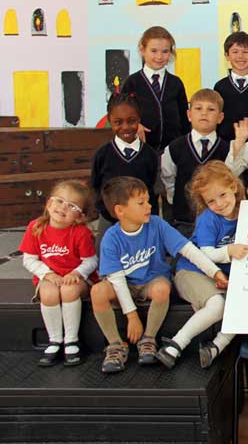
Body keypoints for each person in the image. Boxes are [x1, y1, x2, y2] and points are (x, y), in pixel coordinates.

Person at [90, 176, 226, 374]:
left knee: (162, 288)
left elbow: (188, 250)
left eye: (148, 200)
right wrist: (132, 316)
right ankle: (115, 345)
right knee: (97, 292)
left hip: (151, 282)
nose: (149, 206)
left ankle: (149, 339)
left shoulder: (157, 224)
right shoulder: (111, 238)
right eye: (141, 203)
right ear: (120, 210)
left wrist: (215, 272)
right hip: (125, 286)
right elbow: (117, 281)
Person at [156, 162, 248, 369]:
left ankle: (217, 346)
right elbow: (206, 253)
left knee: (246, 301)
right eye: (211, 200)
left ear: (233, 187)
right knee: (217, 305)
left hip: (224, 277)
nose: (219, 203)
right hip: (192, 271)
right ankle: (175, 344)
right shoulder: (208, 219)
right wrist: (229, 251)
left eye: (223, 195)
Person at [19, 180, 99, 367]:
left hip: (76, 279)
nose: (63, 207)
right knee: (49, 293)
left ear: (79, 216)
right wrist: (47, 274)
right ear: (49, 203)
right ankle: (55, 339)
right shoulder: (35, 227)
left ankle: (71, 340)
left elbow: (91, 261)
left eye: (72, 206)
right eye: (60, 201)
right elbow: (29, 260)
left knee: (69, 291)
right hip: (50, 277)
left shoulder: (80, 232)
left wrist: (76, 273)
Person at [90, 93, 159, 247]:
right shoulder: (102, 154)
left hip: (141, 221)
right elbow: (95, 186)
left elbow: (152, 187)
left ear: (139, 120)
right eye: (118, 122)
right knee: (105, 254)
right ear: (109, 121)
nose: (126, 127)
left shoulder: (149, 155)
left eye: (131, 121)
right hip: (110, 220)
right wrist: (107, 212)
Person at [160, 89, 230, 236]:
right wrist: (176, 200)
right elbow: (168, 177)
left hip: (219, 222)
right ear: (189, 115)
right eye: (198, 108)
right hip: (184, 222)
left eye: (211, 109)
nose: (204, 113)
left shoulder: (227, 149)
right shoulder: (174, 148)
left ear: (220, 117)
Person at [118, 25, 190, 151]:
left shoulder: (176, 83)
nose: (159, 56)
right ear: (142, 50)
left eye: (165, 51)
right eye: (154, 51)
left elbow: (185, 119)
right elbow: (121, 114)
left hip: (173, 150)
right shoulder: (132, 82)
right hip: (141, 150)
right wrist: (134, 125)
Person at [214, 31, 248, 142]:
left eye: (245, 52)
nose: (240, 56)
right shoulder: (220, 86)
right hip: (227, 144)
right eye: (235, 52)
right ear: (227, 56)